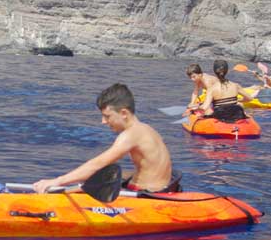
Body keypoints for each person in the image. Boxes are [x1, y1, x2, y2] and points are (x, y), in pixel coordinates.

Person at [33, 83, 175, 194]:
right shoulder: (148, 129)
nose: (103, 121)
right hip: (158, 189)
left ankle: (50, 191)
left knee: (85, 183)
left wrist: (58, 181)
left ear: (124, 113)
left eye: (107, 116)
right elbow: (148, 168)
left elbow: (97, 163)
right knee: (97, 178)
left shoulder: (131, 135)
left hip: (146, 196)